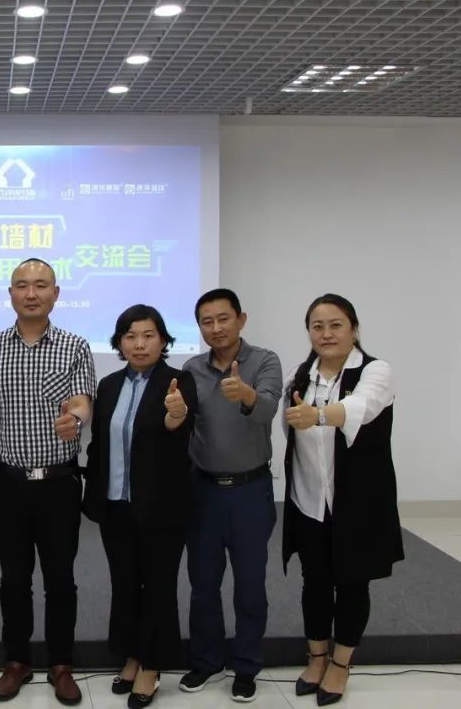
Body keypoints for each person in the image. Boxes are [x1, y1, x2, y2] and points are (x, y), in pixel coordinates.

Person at [0, 258, 96, 706]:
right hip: (7, 482)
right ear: (10, 294)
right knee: (13, 579)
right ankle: (17, 660)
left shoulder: (75, 346)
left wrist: (75, 419)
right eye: (22, 285)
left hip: (59, 483)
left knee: (61, 579)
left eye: (41, 285)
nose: (31, 293)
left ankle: (61, 664)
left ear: (55, 294)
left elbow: (83, 402)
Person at [282, 293, 402, 706]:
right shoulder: (300, 376)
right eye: (317, 326)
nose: (326, 333)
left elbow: (360, 408)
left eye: (336, 325)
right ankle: (316, 657)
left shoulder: (375, 370)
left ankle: (341, 664)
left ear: (354, 329)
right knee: (314, 582)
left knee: (352, 582)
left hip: (357, 503)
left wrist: (317, 415)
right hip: (308, 499)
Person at [83, 305, 197, 709]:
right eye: (130, 336)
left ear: (163, 340)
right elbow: (100, 443)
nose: (139, 344)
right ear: (119, 343)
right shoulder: (110, 385)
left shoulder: (178, 381)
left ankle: (152, 665)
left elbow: (176, 425)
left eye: (148, 335)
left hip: (162, 506)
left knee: (159, 585)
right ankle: (132, 654)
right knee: (125, 583)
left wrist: (176, 415)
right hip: (116, 504)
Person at [180, 288, 282, 702]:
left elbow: (269, 408)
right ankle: (206, 661)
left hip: (250, 491)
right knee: (203, 584)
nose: (216, 328)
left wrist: (247, 395)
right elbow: (184, 423)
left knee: (250, 585)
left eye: (224, 319)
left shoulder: (265, 361)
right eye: (207, 321)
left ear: (241, 319)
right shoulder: (192, 368)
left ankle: (246, 665)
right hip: (203, 492)